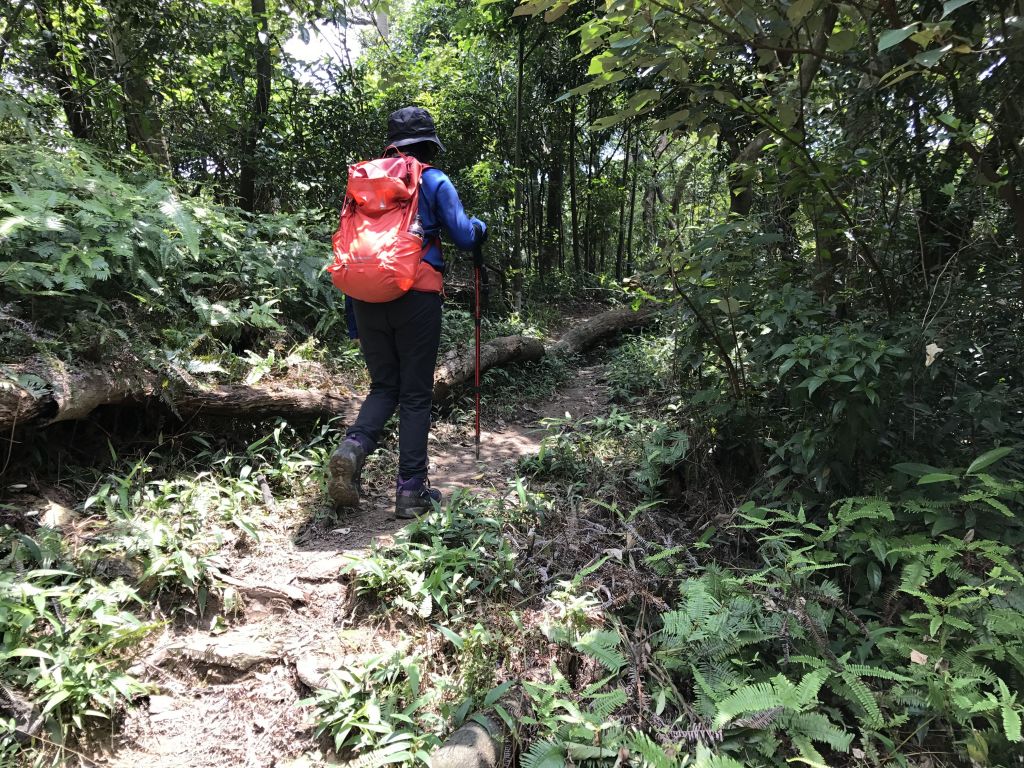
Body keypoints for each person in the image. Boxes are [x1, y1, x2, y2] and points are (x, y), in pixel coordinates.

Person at [327, 106, 487, 518]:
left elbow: (352, 243)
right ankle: (411, 491)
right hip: (416, 296)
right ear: (428, 144)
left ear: (392, 144)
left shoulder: (364, 184)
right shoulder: (432, 179)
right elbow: (465, 236)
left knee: (384, 387)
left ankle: (353, 447)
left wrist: (353, 316)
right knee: (415, 395)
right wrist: (481, 228)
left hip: (366, 296)